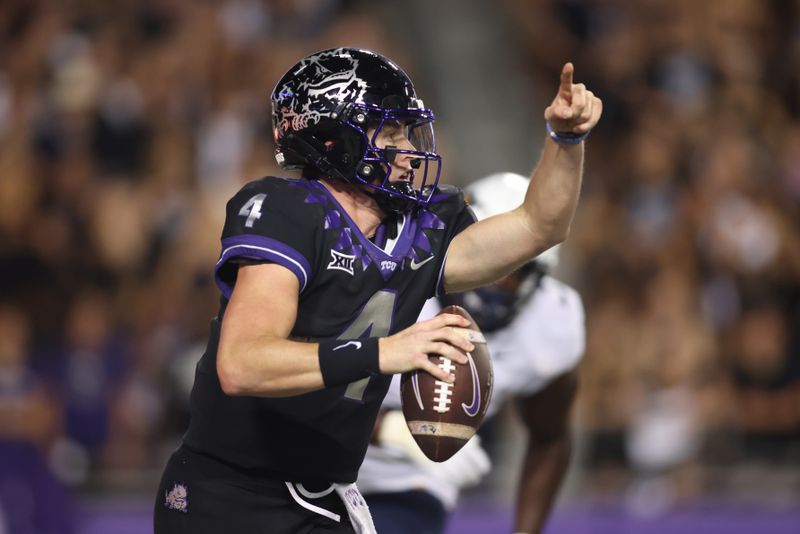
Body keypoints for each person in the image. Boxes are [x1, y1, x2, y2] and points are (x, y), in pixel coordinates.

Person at [153, 47, 601, 534]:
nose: (408, 148)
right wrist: (384, 352)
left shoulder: (425, 226)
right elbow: (242, 365)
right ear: (335, 138)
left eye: (407, 131)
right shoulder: (290, 211)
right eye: (390, 131)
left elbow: (540, 226)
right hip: (229, 495)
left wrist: (566, 139)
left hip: (326, 494)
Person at [358, 173, 586, 534]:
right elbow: (301, 383)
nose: (496, 276)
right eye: (490, 255)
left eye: (516, 268)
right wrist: (392, 429)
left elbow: (550, 438)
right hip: (310, 454)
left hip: (408, 485)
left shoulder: (549, 326)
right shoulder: (390, 278)